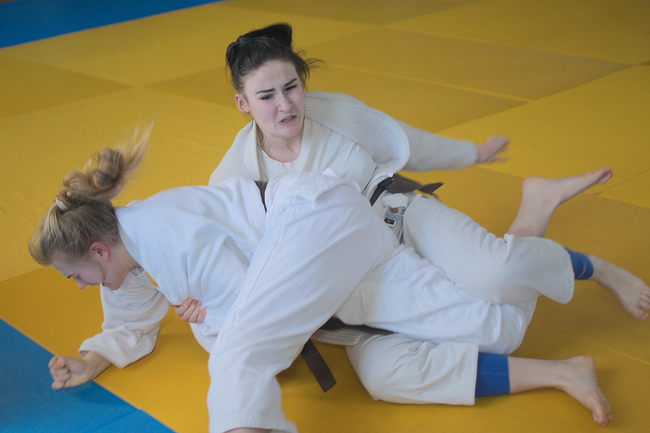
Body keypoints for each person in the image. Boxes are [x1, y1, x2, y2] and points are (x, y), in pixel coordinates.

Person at [32, 126, 648, 432]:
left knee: (238, 351)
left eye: (77, 275)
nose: (83, 286)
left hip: (315, 221)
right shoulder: (134, 254)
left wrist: (208, 319)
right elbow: (133, 315)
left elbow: (254, 323)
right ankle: (544, 231)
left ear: (96, 248)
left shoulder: (162, 232)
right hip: (341, 263)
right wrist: (93, 358)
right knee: (497, 329)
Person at [173, 22, 650, 415]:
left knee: (496, 275)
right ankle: (564, 371)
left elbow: (405, 141)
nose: (284, 105)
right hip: (353, 287)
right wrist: (200, 298)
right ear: (242, 103)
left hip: (400, 216)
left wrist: (472, 153)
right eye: (266, 96)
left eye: (291, 87)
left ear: (303, 83)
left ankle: (594, 266)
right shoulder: (233, 178)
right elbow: (219, 253)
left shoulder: (334, 114)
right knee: (386, 376)